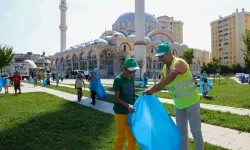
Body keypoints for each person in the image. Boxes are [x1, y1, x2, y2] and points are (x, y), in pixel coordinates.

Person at [145, 43, 204, 150]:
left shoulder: (179, 63)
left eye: (161, 56)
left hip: (192, 102)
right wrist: (150, 91)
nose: (160, 58)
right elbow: (162, 82)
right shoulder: (164, 68)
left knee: (196, 132)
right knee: (181, 133)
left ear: (168, 53)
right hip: (179, 104)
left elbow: (171, 78)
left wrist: (153, 89)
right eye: (159, 56)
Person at [113, 58, 140, 150]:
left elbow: (132, 93)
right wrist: (128, 105)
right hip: (120, 112)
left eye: (134, 72)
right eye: (130, 72)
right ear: (124, 69)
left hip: (130, 112)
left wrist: (140, 96)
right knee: (121, 136)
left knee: (132, 134)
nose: (132, 74)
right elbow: (117, 98)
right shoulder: (118, 80)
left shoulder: (131, 79)